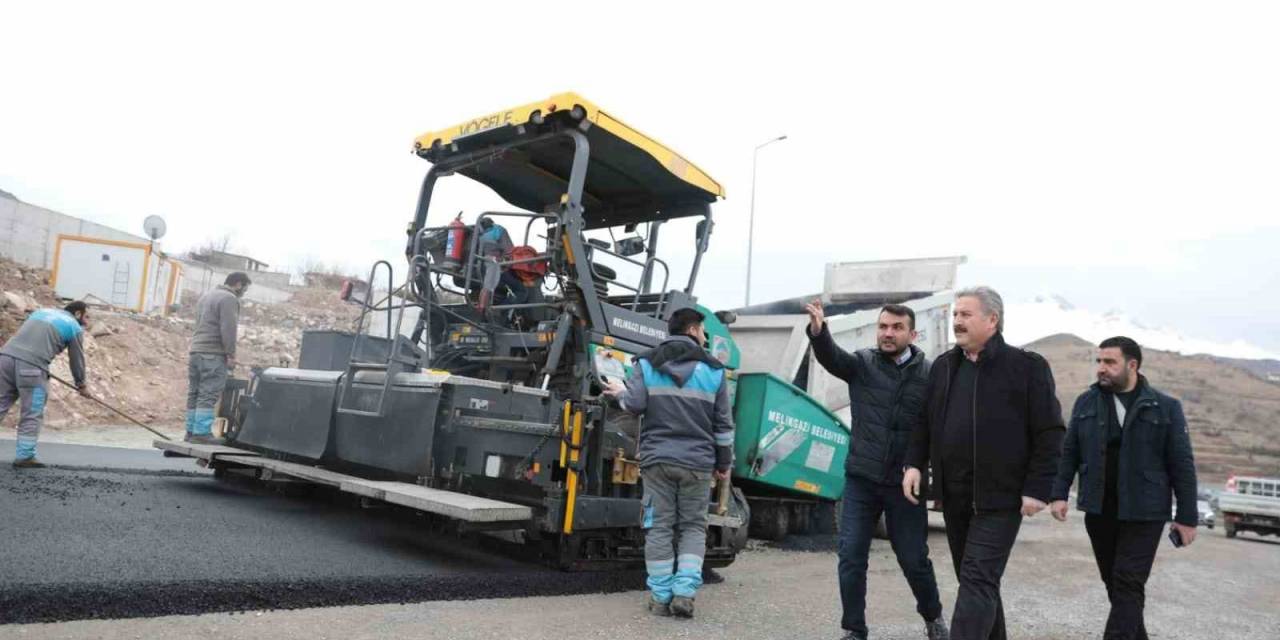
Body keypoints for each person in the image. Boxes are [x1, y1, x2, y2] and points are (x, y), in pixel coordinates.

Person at [902, 286, 1064, 640]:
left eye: (965, 315)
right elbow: (924, 422)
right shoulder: (944, 367)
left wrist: (1038, 489)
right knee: (977, 580)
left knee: (977, 578)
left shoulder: (1026, 367)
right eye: (956, 314)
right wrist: (914, 463)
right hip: (955, 495)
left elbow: (1050, 433)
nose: (957, 321)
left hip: (1001, 498)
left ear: (992, 320)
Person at [804, 299, 948, 640]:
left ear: (912, 334)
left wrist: (937, 483)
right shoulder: (863, 365)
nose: (888, 333)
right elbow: (832, 358)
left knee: (914, 559)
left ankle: (934, 618)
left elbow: (937, 432)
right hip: (862, 480)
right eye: (883, 326)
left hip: (905, 485)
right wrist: (818, 332)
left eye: (897, 328)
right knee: (851, 557)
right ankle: (854, 629)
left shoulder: (930, 376)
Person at [1050, 337, 1198, 640]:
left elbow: (1182, 464)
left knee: (1127, 581)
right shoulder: (1086, 402)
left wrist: (1187, 516)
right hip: (1099, 508)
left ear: (1132, 365)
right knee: (1117, 586)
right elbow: (1070, 453)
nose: (1101, 369)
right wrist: (1059, 493)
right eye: (1099, 362)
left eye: (1110, 362)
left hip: (1145, 511)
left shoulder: (1166, 407)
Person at [602, 307, 734, 619]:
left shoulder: (646, 364)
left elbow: (634, 406)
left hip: (658, 460)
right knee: (691, 527)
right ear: (692, 330)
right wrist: (724, 462)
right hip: (698, 463)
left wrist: (620, 392)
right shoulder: (714, 371)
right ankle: (684, 594)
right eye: (703, 330)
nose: (704, 336)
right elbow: (724, 427)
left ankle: (661, 597)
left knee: (658, 527)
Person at [1, 301, 91, 468]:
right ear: (77, 314)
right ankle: (25, 456)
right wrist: (81, 385)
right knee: (32, 411)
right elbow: (77, 360)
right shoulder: (73, 326)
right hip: (32, 367)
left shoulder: (40, 312)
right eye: (86, 317)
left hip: (4, 359)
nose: (87, 321)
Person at [186, 272, 249, 443]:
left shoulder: (206, 297)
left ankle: (191, 432)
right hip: (213, 354)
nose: (244, 292)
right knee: (208, 393)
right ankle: (201, 434)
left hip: (196, 352)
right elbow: (228, 328)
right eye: (244, 288)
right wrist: (231, 354)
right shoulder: (229, 299)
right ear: (238, 284)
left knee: (195, 393)